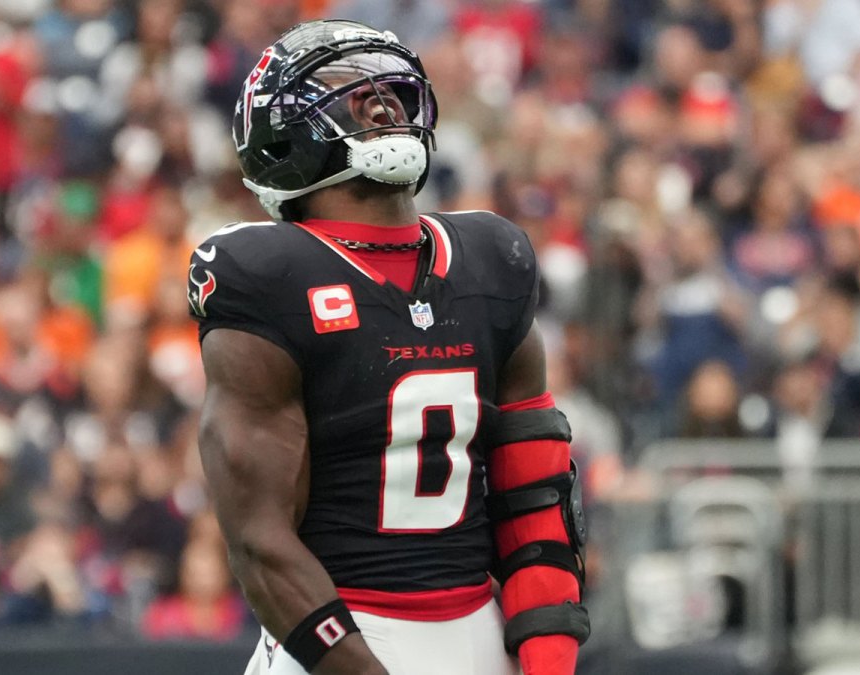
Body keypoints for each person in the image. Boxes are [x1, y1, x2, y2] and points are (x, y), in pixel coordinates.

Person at [189, 20, 588, 675]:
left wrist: (548, 661)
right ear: (282, 132)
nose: (382, 102)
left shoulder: (492, 258)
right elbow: (259, 540)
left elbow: (536, 493)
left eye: (390, 87)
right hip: (342, 635)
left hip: (478, 633)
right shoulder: (265, 273)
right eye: (348, 92)